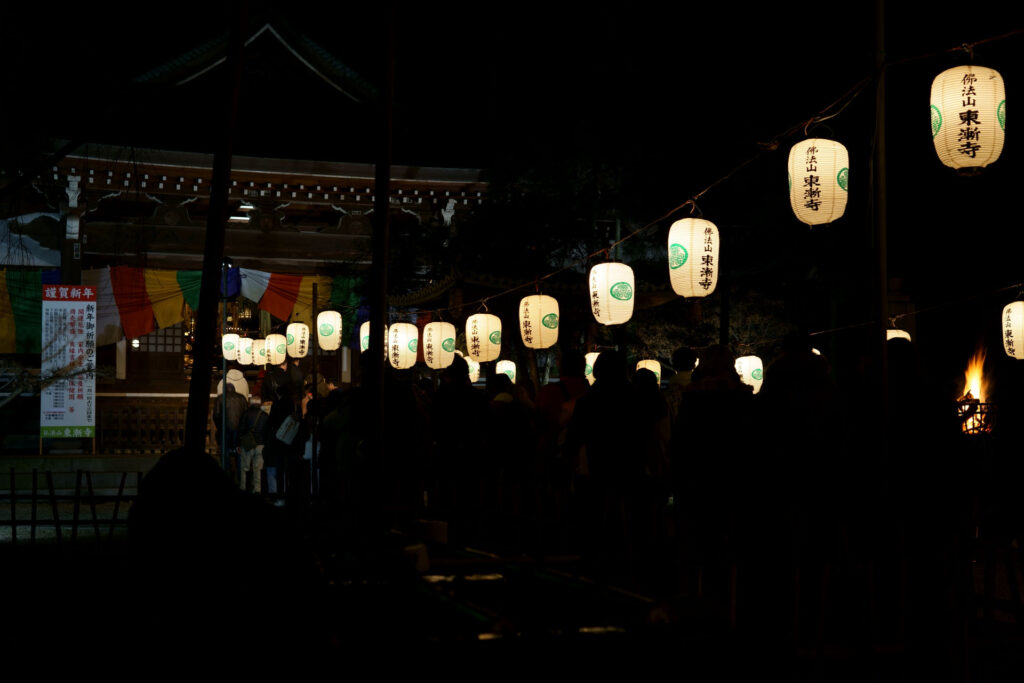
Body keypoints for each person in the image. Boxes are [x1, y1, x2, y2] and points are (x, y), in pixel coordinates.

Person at [237, 394, 269, 493]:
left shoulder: (245, 414)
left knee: (245, 468)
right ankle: (257, 489)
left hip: (247, 444)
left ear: (250, 403)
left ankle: (243, 487)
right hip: (260, 444)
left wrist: (238, 444)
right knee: (258, 469)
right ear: (260, 404)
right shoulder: (264, 415)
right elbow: (267, 431)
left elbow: (241, 429)